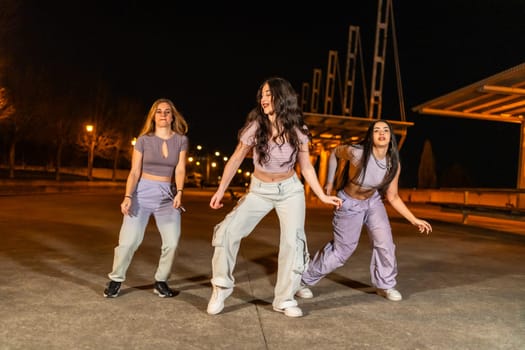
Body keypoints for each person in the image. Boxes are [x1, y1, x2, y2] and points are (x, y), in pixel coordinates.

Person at [206, 76, 342, 318]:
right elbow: (236, 158)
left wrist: (321, 195)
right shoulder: (255, 127)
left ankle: (284, 299)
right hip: (259, 190)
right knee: (227, 232)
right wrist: (220, 190)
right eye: (263, 94)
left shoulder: (298, 130)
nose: (264, 99)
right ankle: (221, 287)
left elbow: (307, 167)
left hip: (290, 190)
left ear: (282, 97)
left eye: (269, 94)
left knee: (293, 242)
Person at [301, 119, 432, 301]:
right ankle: (303, 280)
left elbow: (393, 197)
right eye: (376, 130)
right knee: (342, 251)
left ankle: (385, 285)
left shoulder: (393, 164)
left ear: (390, 137)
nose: (381, 133)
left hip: (373, 201)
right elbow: (334, 153)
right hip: (349, 203)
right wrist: (329, 183)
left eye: (385, 130)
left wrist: (414, 219)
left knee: (385, 242)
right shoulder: (357, 153)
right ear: (371, 136)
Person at [103, 98, 189, 298]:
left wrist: (180, 192)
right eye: (159, 111)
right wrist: (127, 196)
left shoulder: (181, 140)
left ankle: (161, 281)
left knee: (172, 242)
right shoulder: (143, 140)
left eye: (167, 112)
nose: (163, 115)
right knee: (128, 241)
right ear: (153, 116)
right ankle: (116, 279)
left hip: (167, 196)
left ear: (172, 116)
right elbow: (134, 172)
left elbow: (181, 168)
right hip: (142, 193)